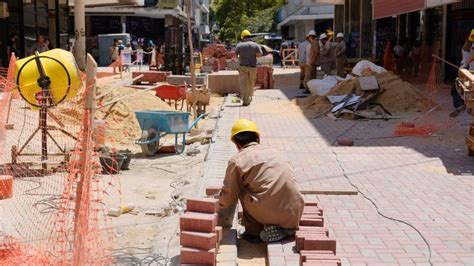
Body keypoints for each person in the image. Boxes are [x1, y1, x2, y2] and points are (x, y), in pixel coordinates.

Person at [218, 119, 304, 243]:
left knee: (241, 189)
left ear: (236, 144)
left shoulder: (237, 160)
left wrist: (214, 205)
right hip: (295, 211)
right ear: (258, 139)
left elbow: (229, 197)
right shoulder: (276, 152)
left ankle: (253, 234)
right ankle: (286, 227)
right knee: (261, 187)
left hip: (270, 212)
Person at [450, 30, 474, 117]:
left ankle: (461, 105)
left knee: (457, 87)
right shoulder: (467, 47)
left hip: (467, 69)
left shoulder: (467, 47)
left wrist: (463, 66)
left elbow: (467, 59)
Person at [235, 30, 262, 106]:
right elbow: (260, 55)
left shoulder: (240, 45)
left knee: (244, 84)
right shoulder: (255, 45)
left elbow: (235, 55)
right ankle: (250, 96)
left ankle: (245, 100)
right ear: (250, 37)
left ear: (243, 37)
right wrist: (254, 56)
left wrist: (239, 59)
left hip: (243, 66)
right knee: (251, 82)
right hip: (253, 67)